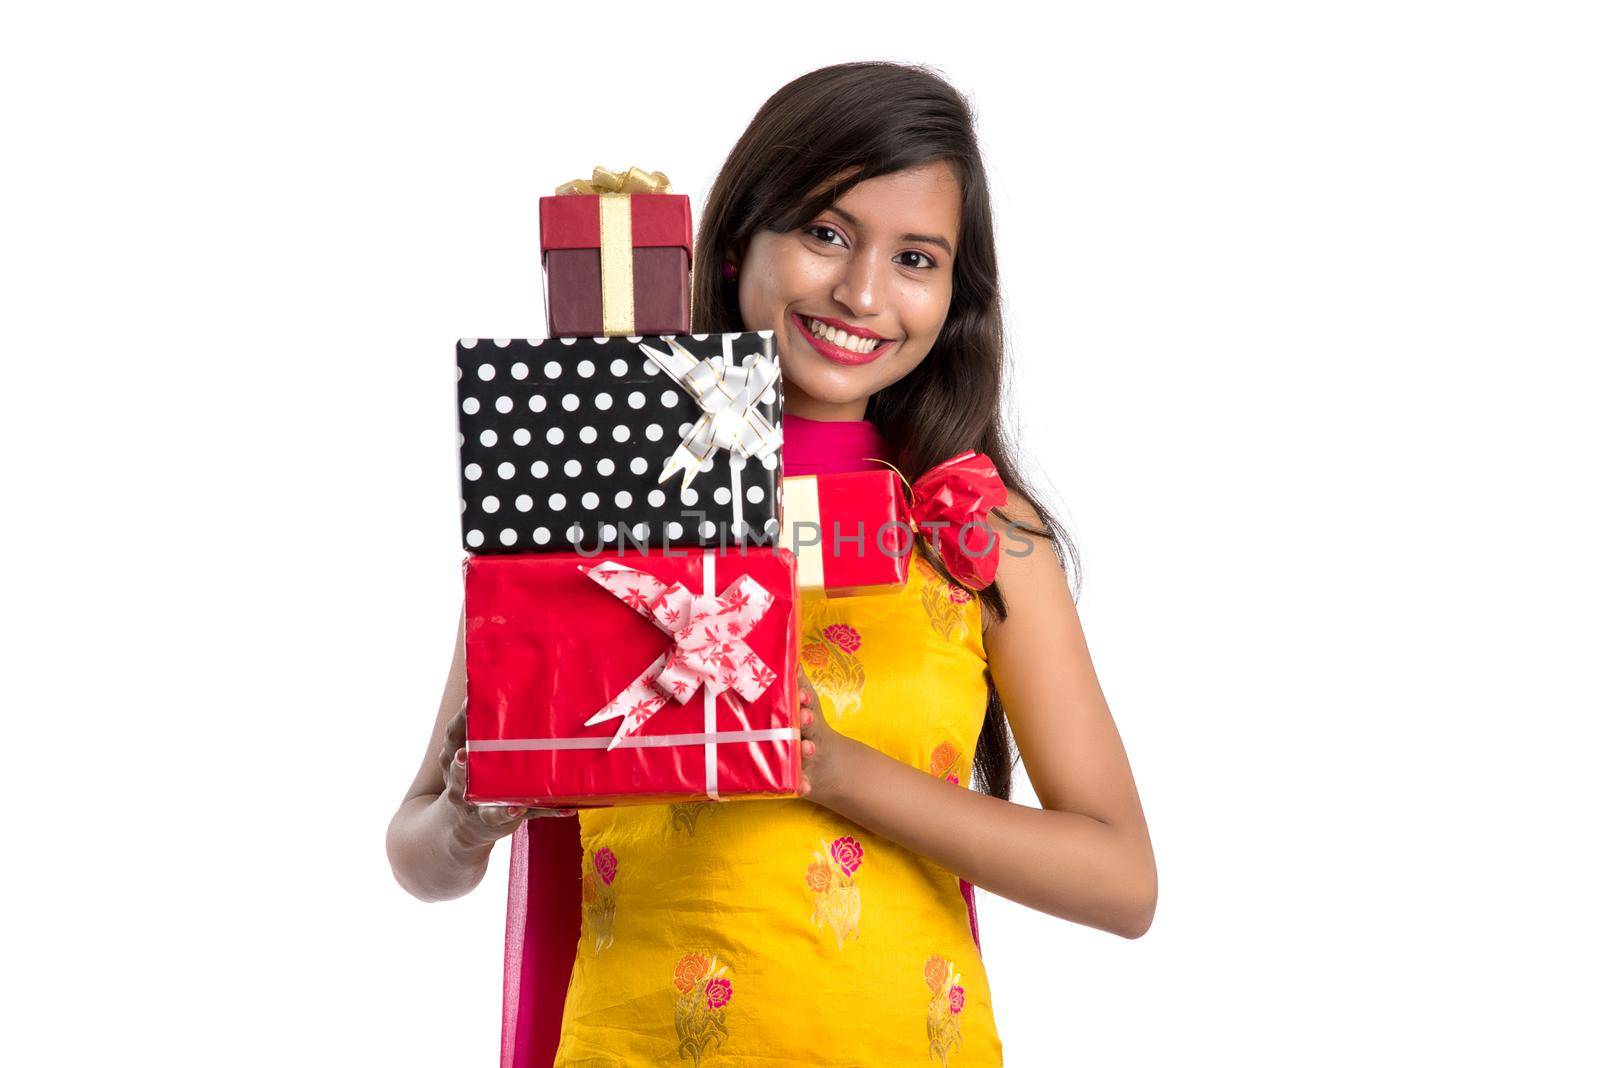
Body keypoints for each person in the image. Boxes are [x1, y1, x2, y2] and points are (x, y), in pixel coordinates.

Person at [388, 60, 1158, 1067]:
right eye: (826, 233)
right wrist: (465, 817)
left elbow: (1120, 879)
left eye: (916, 259)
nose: (863, 291)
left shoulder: (973, 526)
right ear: (739, 238)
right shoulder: (596, 492)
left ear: (953, 295)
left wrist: (828, 766)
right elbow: (418, 857)